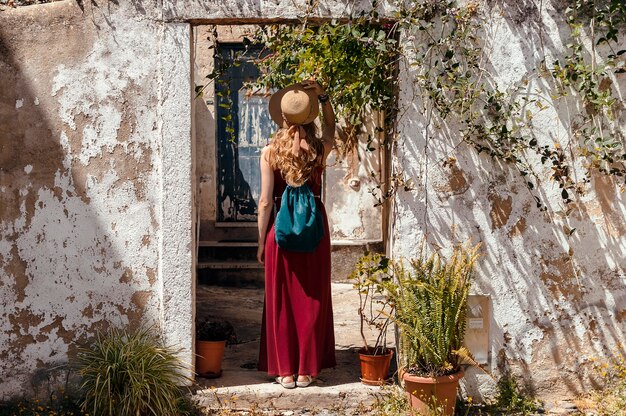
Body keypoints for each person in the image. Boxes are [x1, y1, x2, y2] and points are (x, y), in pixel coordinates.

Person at [256, 79, 337, 389]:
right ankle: (307, 371)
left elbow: (265, 202)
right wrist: (324, 96)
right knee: (312, 298)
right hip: (315, 231)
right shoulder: (319, 149)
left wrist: (261, 240)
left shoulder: (269, 152)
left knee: (282, 302)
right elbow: (331, 129)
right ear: (310, 116)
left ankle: (285, 371)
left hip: (282, 233)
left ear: (283, 117)